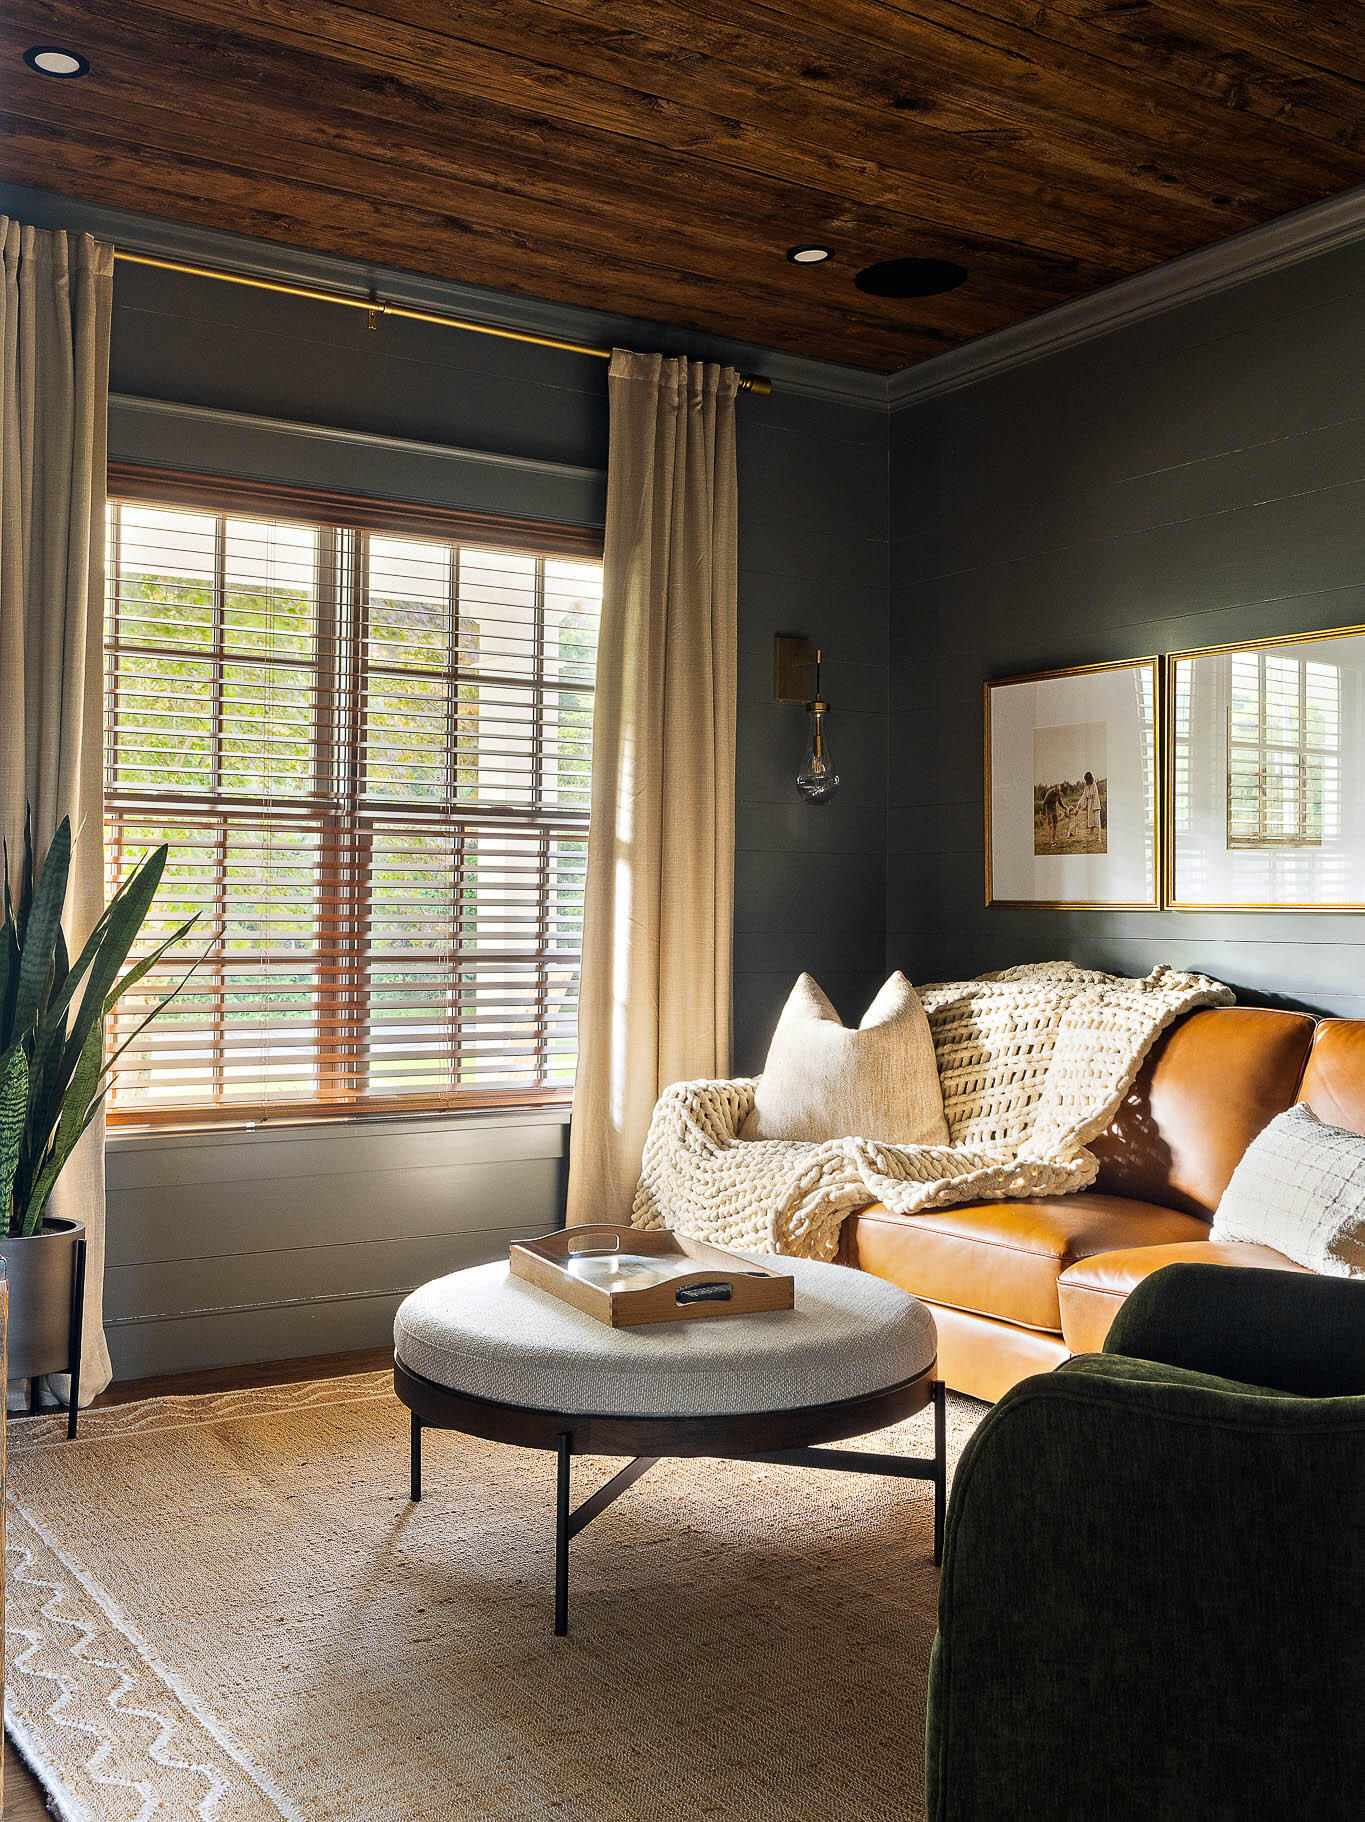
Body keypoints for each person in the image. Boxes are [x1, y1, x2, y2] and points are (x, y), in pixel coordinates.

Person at [1079, 770, 1102, 842]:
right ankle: (1091, 836)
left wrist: (1095, 808)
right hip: (1090, 804)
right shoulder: (1086, 786)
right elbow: (1084, 795)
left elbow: (1095, 796)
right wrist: (1080, 803)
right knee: (1091, 820)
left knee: (1097, 821)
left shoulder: (1094, 784)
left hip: (1095, 804)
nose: (1086, 781)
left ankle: (1099, 837)